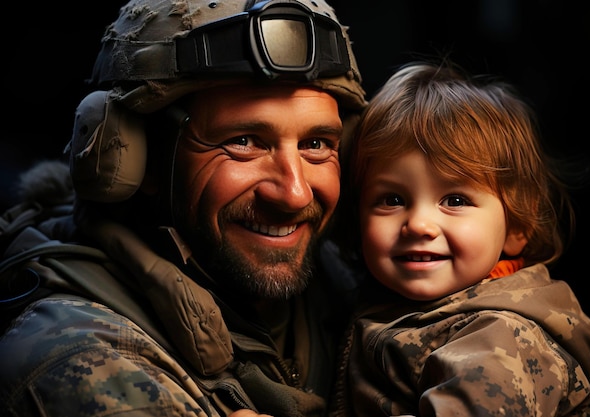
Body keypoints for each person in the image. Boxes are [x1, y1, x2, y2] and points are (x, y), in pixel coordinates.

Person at [0, 0, 366, 416]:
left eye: (316, 144)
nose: (295, 194)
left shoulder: (357, 289)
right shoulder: (81, 362)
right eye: (244, 141)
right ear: (140, 156)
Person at [327, 61, 590, 417]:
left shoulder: (500, 336)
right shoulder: (386, 306)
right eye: (392, 200)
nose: (419, 224)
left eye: (455, 200)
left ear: (518, 225)